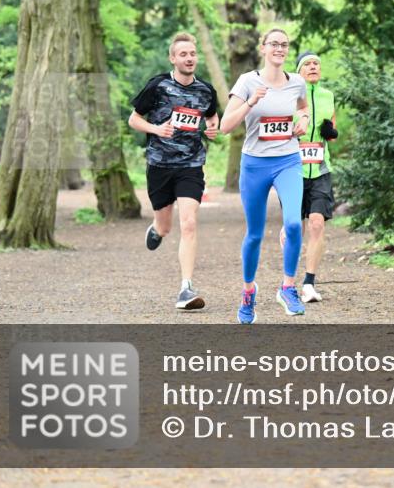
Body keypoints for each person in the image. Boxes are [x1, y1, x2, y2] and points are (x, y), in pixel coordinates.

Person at [220, 28, 310, 324]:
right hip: (255, 164)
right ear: (263, 48)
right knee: (255, 234)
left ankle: (288, 287)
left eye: (284, 45)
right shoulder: (248, 82)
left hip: (288, 161)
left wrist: (303, 120)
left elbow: (303, 108)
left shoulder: (296, 82)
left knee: (294, 223)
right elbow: (225, 126)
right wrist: (250, 103)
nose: (279, 49)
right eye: (274, 44)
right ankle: (248, 292)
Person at [128, 32, 219, 311]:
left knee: (189, 223)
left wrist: (212, 128)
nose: (189, 58)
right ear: (172, 58)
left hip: (191, 165)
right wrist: (156, 129)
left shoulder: (206, 90)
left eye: (192, 54)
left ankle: (186, 287)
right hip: (160, 165)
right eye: (183, 54)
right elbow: (134, 119)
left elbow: (212, 116)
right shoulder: (158, 86)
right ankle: (157, 229)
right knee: (166, 226)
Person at [281, 51, 338, 303]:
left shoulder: (328, 96)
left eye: (316, 63)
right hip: (293, 169)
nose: (313, 67)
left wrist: (331, 132)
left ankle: (309, 283)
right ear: (299, 71)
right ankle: (288, 280)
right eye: (308, 64)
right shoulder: (289, 96)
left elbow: (332, 133)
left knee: (316, 223)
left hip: (321, 169)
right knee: (296, 227)